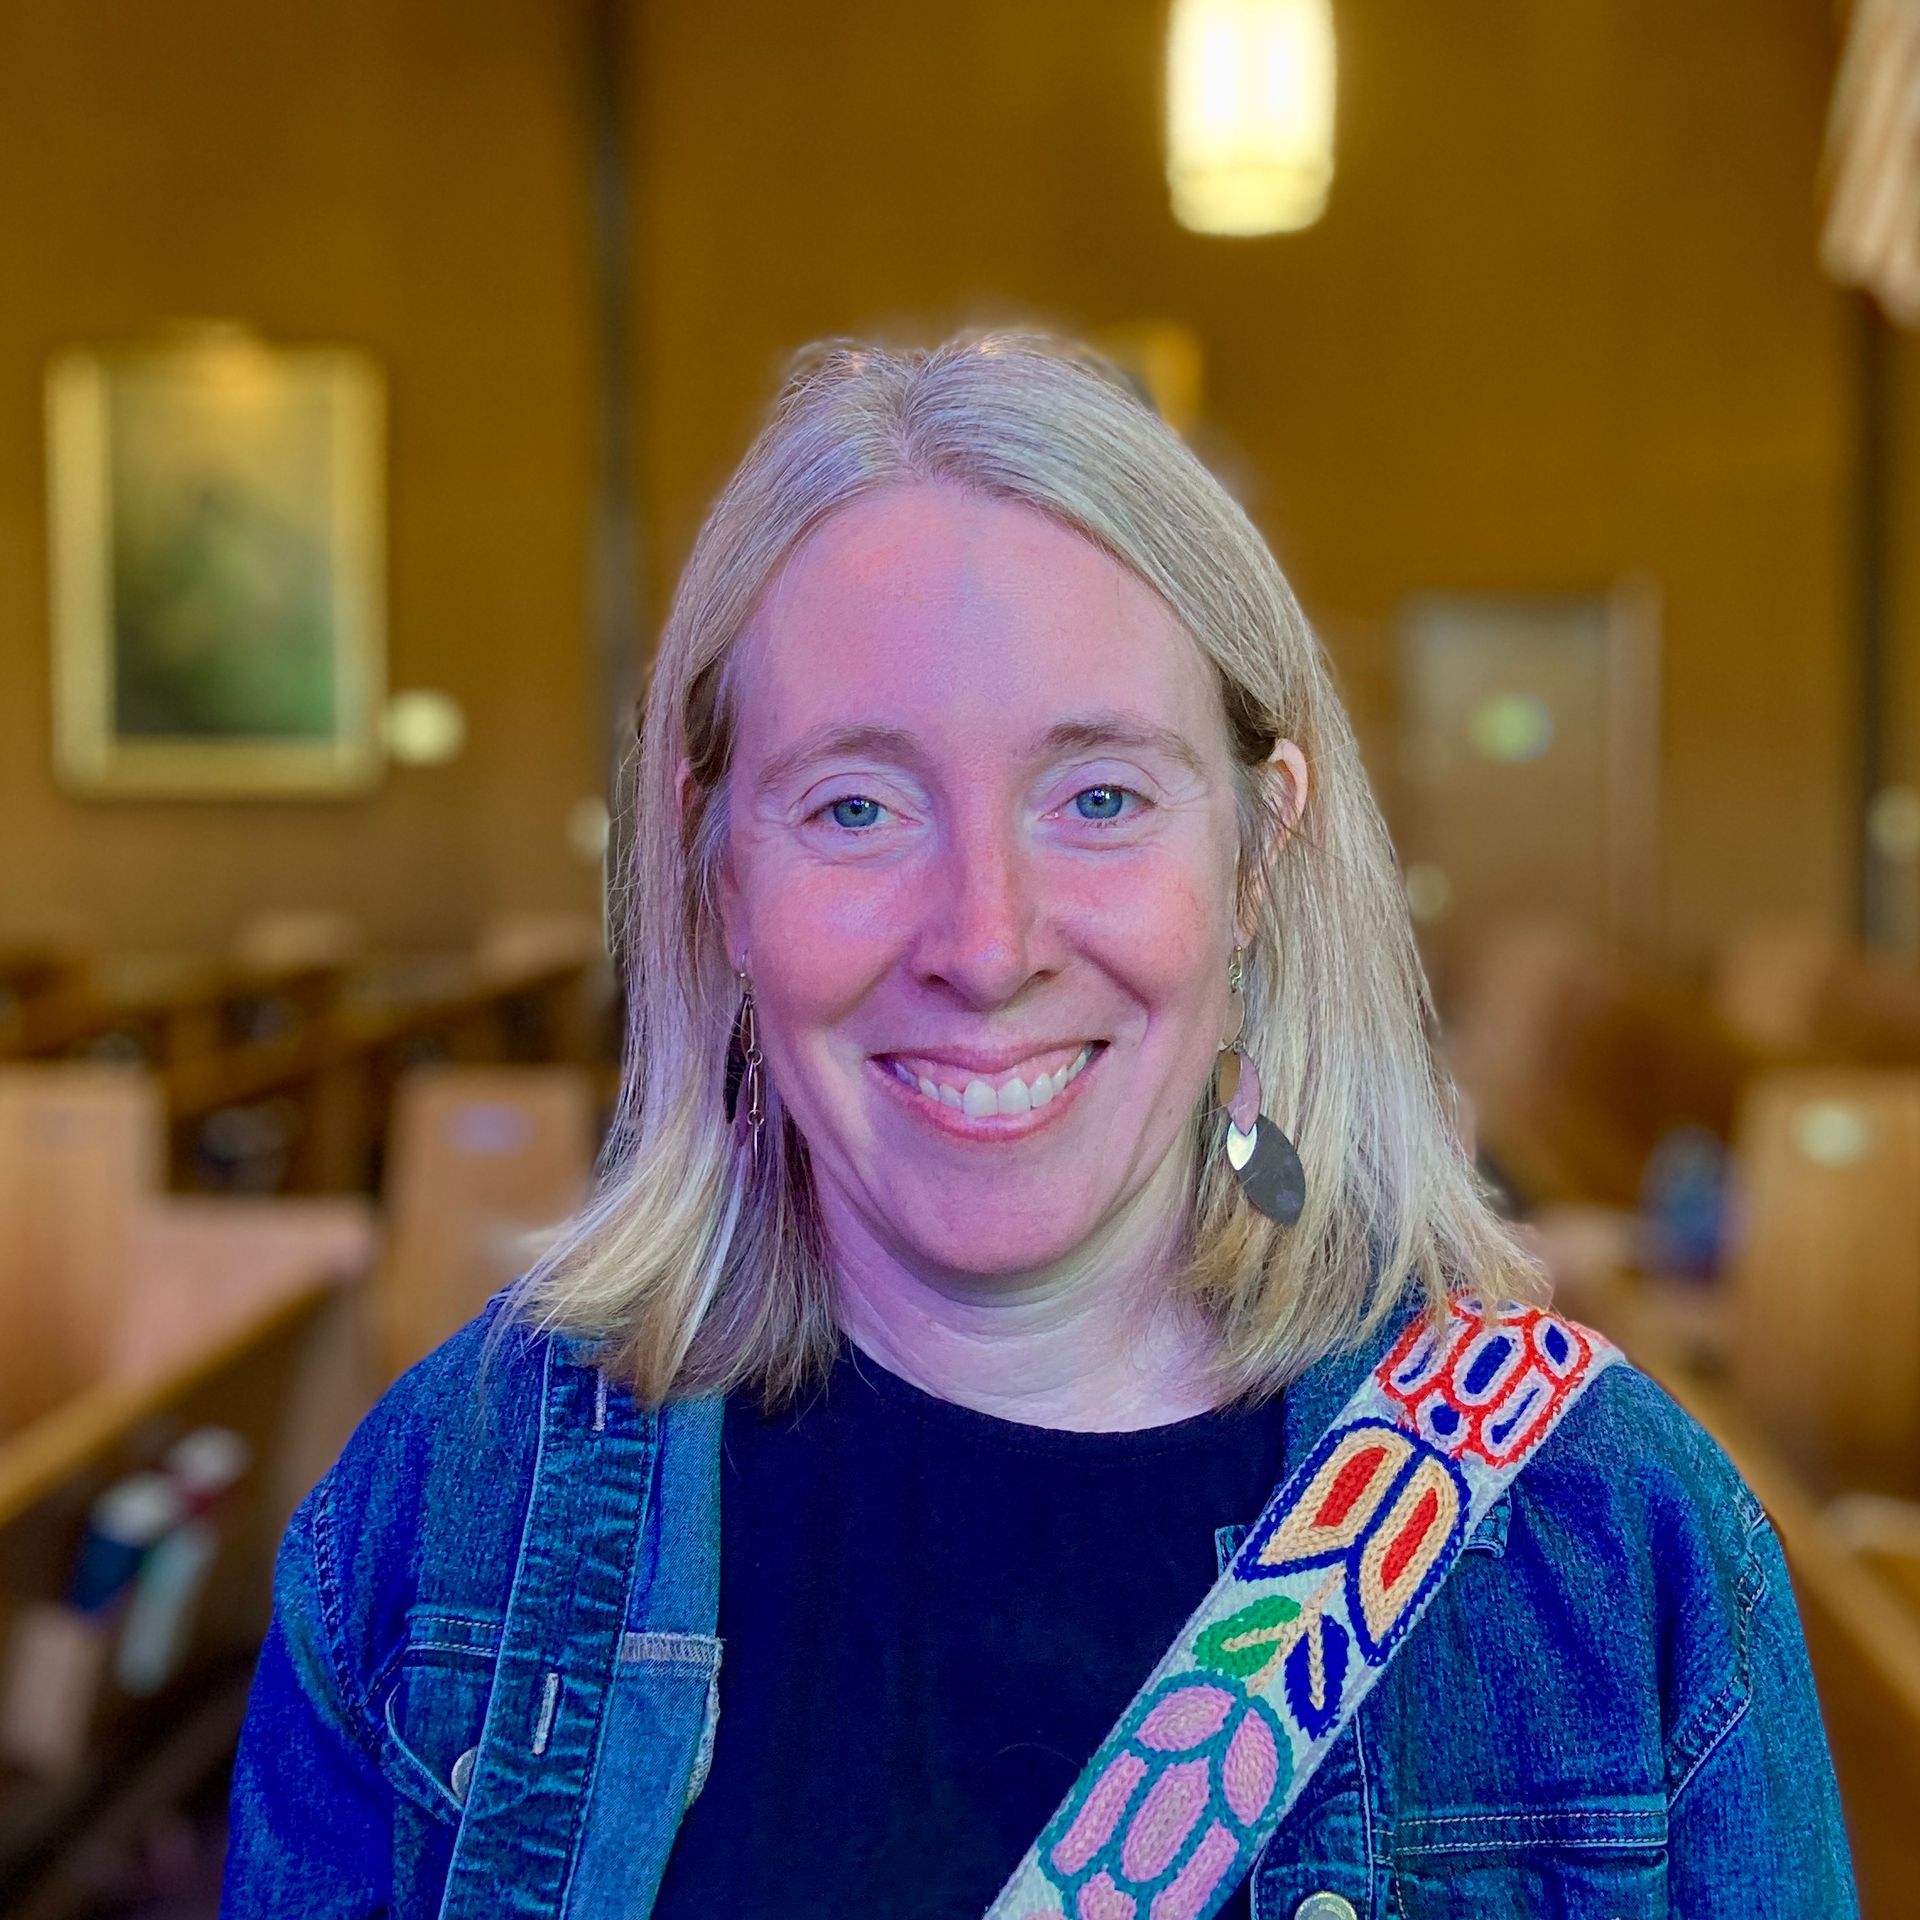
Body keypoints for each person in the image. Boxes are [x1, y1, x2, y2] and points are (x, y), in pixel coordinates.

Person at [222, 332, 1857, 1920]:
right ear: (717, 868)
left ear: (1259, 856)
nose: (987, 944)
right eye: (857, 806)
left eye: (1100, 798)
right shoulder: (443, 1519)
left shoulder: (1611, 1546)